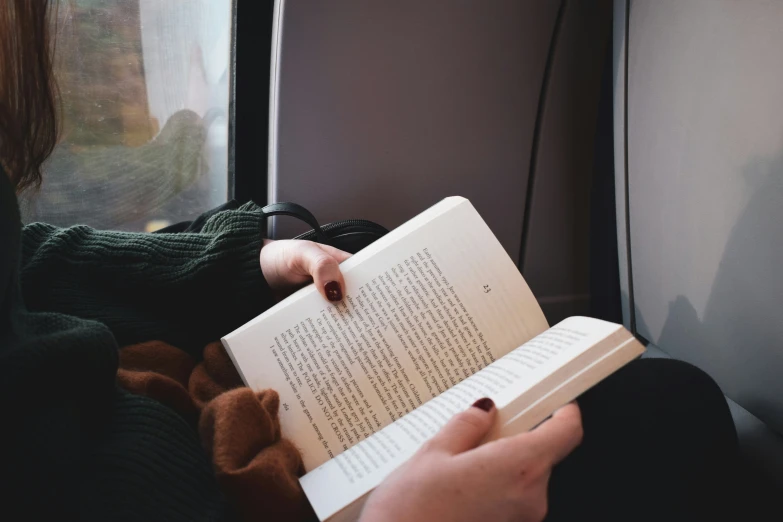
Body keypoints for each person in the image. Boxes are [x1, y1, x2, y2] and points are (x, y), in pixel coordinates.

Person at [1, 2, 742, 521]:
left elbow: (24, 266)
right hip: (205, 485)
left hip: (135, 421)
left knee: (362, 252)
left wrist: (245, 263)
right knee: (673, 410)